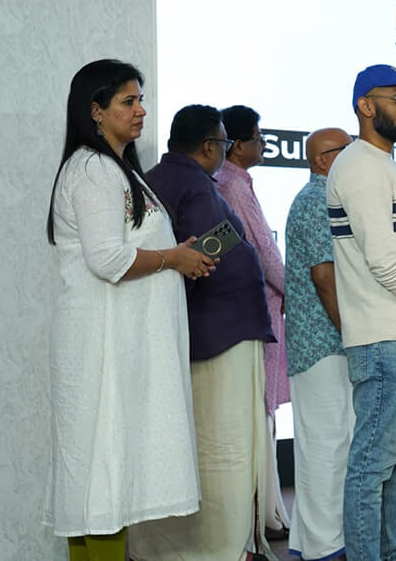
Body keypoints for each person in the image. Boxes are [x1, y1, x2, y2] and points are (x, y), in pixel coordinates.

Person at [44, 59, 213, 561]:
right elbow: (108, 259)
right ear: (95, 111)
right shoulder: (93, 169)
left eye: (141, 100)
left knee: (101, 481)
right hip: (103, 349)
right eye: (128, 101)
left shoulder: (116, 168)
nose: (140, 110)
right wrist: (173, 259)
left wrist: (174, 253)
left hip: (118, 347)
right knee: (102, 483)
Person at [132, 105, 278, 561]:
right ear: (211, 146)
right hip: (216, 337)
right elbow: (196, 257)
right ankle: (217, 548)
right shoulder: (193, 186)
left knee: (201, 446)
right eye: (225, 143)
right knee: (222, 449)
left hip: (208, 333)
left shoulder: (160, 179)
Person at [328, 64, 396, 561]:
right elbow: (381, 255)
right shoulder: (356, 165)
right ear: (365, 106)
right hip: (382, 334)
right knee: (373, 464)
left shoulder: (392, 168)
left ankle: (391, 554)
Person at [217, 104, 291, 537]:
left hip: (253, 310)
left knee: (260, 416)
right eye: (259, 137)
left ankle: (267, 513)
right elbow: (263, 251)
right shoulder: (233, 185)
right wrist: (295, 293)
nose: (264, 144)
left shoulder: (231, 181)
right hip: (255, 312)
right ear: (237, 145)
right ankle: (263, 515)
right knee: (257, 416)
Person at [284, 127, 355, 560]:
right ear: (324, 160)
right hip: (323, 343)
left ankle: (311, 544)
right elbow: (325, 277)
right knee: (327, 447)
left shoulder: (329, 198)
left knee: (328, 445)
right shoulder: (316, 201)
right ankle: (325, 549)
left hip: (329, 342)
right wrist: (352, 334)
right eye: (348, 149)